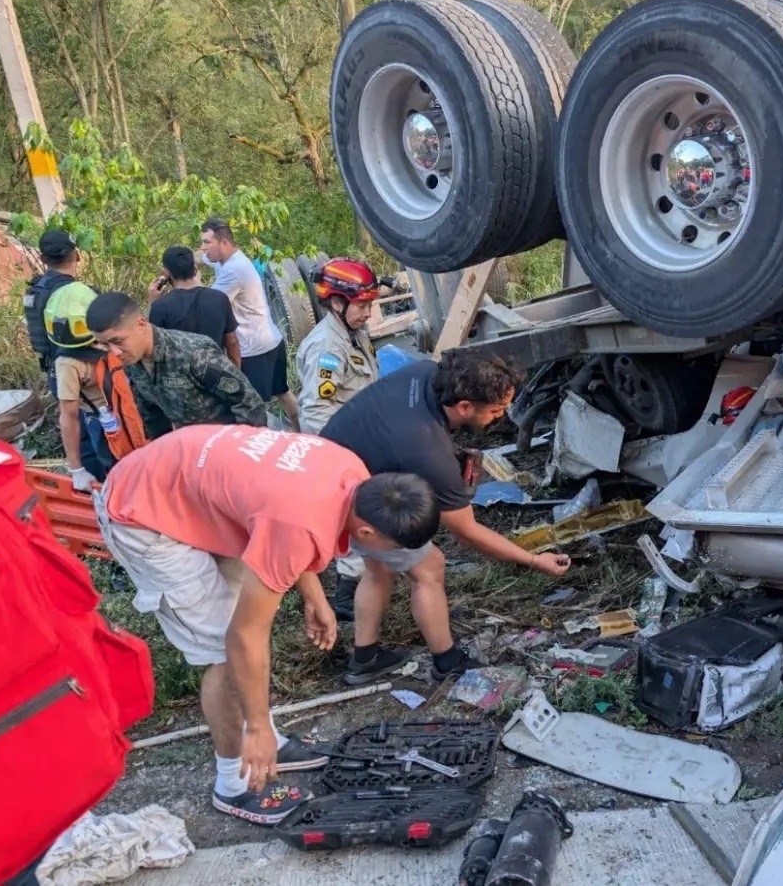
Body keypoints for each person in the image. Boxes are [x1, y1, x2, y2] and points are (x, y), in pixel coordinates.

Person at [92, 423, 439, 824]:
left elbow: (289, 524)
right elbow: (246, 633)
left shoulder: (353, 475)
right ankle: (233, 783)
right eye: (392, 547)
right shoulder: (300, 522)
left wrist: (315, 595)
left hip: (190, 485)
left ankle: (269, 739)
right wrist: (255, 726)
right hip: (144, 514)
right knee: (225, 652)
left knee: (246, 623)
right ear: (365, 531)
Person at [322, 352, 572, 685]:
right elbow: (467, 533)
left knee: (379, 566)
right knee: (429, 565)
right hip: (344, 497)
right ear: (465, 407)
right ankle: (447, 662)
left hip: (331, 464)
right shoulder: (427, 452)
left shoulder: (428, 373)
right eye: (496, 410)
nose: (501, 417)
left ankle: (365, 659)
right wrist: (534, 560)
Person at [296, 257, 381, 620]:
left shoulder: (353, 332)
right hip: (341, 450)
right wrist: (340, 460)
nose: (368, 313)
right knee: (353, 519)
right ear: (336, 302)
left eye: (370, 305)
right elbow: (317, 410)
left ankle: (363, 581)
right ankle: (347, 596)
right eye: (362, 305)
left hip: (361, 441)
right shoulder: (327, 349)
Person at [86, 292, 267, 438]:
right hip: (190, 448)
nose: (114, 352)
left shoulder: (194, 353)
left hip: (228, 443)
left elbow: (248, 403)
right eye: (105, 345)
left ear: (140, 324)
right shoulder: (132, 361)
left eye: (117, 341)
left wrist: (242, 451)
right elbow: (151, 414)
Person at [22, 229, 108, 482]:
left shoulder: (34, 292)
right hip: (86, 371)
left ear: (42, 258)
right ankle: (103, 483)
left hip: (54, 369)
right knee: (99, 429)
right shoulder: (80, 294)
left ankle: (83, 479)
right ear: (77, 255)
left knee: (74, 425)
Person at [199, 219, 300, 430]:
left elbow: (209, 303)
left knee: (250, 407)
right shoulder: (226, 259)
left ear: (224, 242)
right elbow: (201, 258)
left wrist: (192, 283)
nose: (203, 248)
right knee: (282, 391)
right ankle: (303, 432)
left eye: (207, 242)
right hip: (271, 339)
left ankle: (266, 450)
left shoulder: (233, 271)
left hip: (253, 349)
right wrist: (179, 259)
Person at [44, 279, 116, 490]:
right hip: (107, 419)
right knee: (112, 468)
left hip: (119, 414)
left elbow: (69, 414)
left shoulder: (69, 360)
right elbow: (69, 415)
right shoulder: (69, 362)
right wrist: (76, 468)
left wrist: (77, 469)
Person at [146, 245, 241, 367]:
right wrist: (236, 372)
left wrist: (152, 302)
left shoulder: (160, 307)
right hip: (215, 373)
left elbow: (152, 348)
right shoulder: (219, 299)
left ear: (167, 273)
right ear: (195, 269)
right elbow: (232, 342)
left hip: (181, 377)